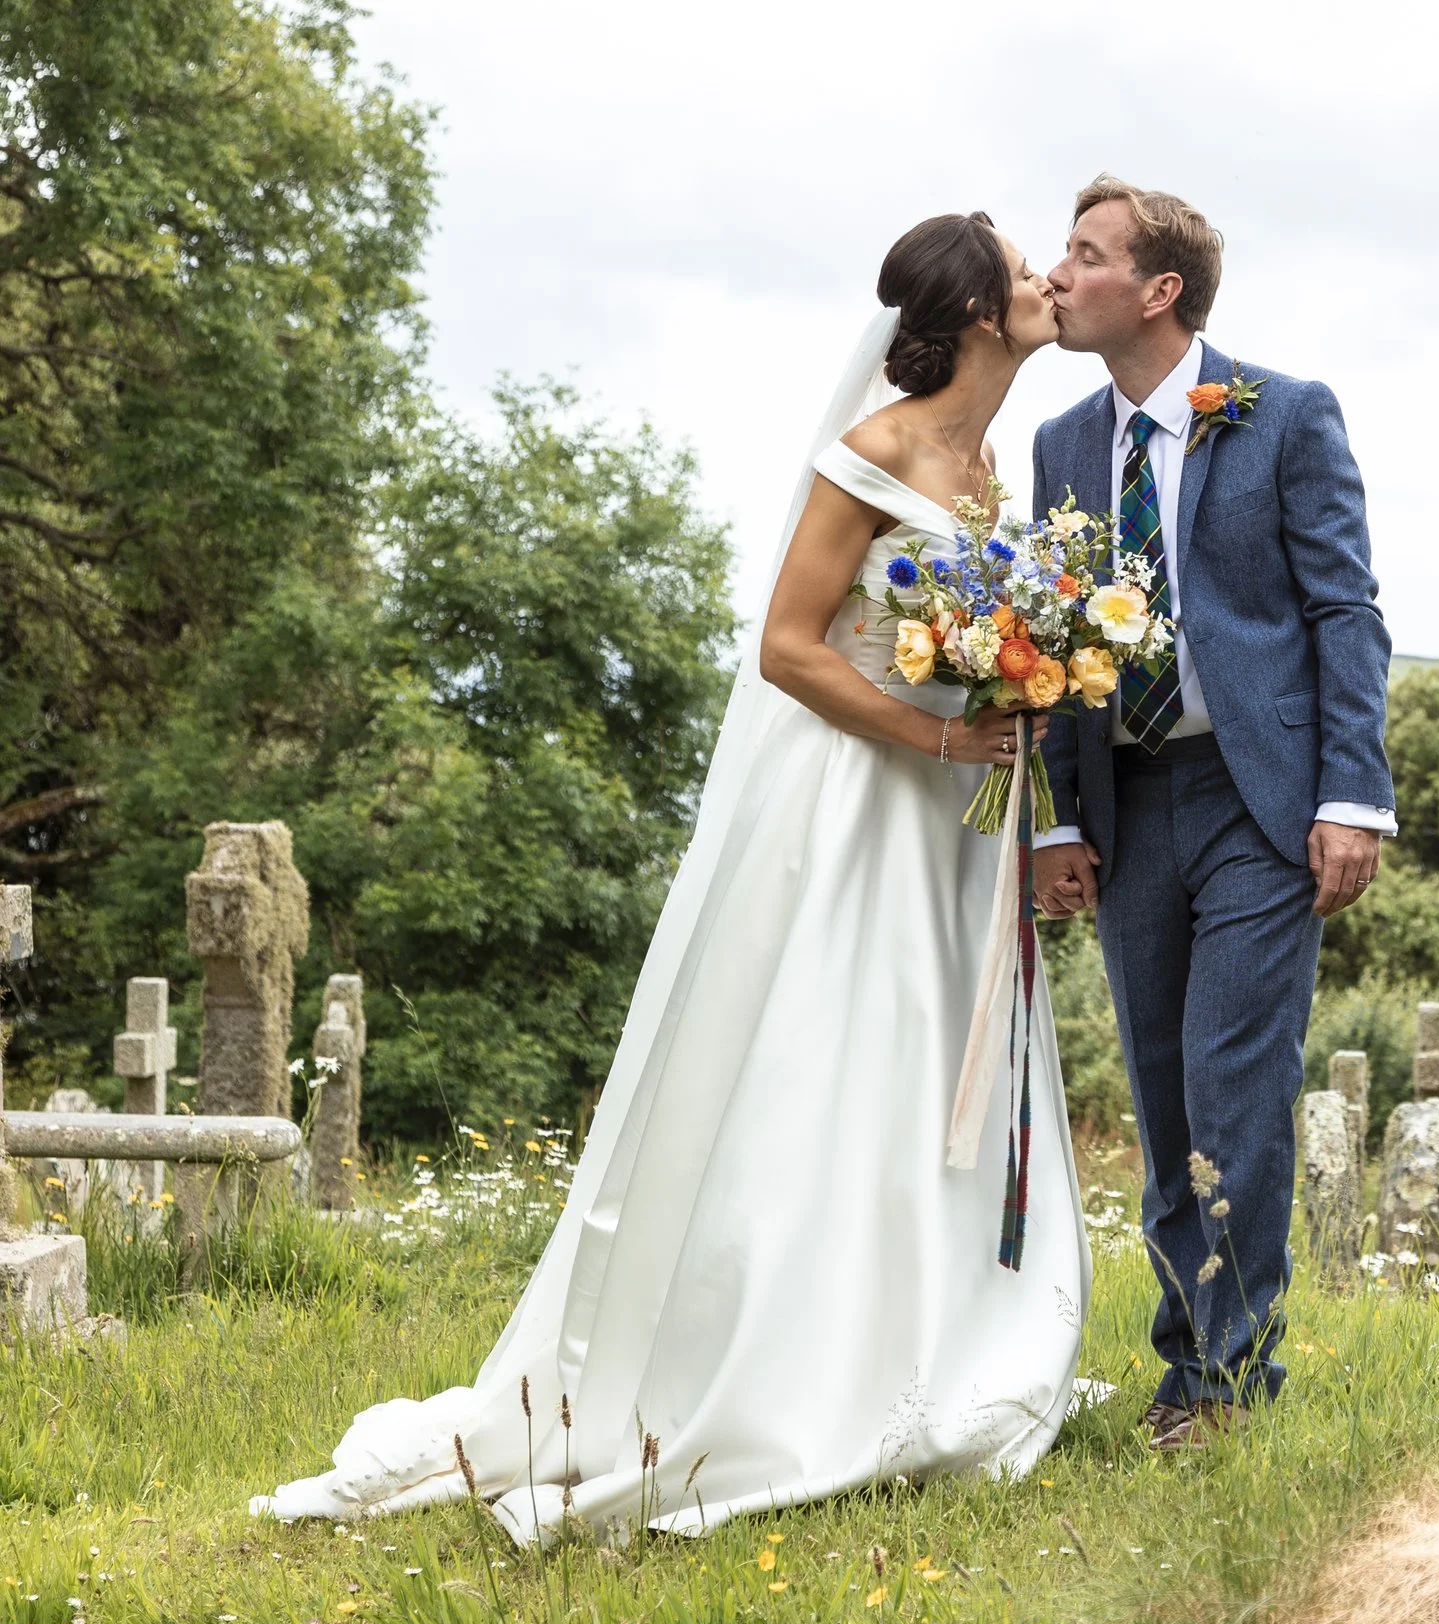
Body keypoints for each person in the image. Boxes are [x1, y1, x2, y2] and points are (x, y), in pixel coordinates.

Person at [253, 213, 1091, 1544]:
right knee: (835, 1064)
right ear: (979, 308)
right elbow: (786, 646)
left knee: (932, 1067)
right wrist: (939, 729)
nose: (1049, 275)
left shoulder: (1000, 465)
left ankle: (921, 1342)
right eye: (1023, 263)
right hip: (860, 804)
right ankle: (766, 1368)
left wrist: (1016, 695)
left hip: (953, 825)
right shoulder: (876, 448)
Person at [1030, 177, 1395, 1450]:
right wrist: (1053, 819)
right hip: (1126, 806)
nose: (1057, 273)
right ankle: (1185, 1356)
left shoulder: (1283, 413)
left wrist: (1352, 796)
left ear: (1158, 288)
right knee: (1160, 1089)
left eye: (1084, 254)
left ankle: (1229, 1384)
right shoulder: (1062, 446)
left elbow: (1344, 611)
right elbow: (1051, 648)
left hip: (1260, 802)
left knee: (1234, 1079)